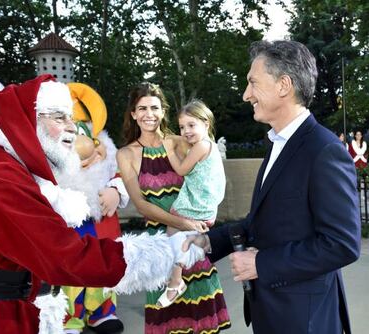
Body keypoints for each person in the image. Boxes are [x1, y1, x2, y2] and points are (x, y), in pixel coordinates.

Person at [0, 74, 204, 334]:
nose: (72, 127)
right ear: (25, 121)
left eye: (71, 118)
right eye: (59, 117)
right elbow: (66, 257)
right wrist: (167, 252)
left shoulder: (5, 167)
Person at [183, 40, 361, 334]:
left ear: (284, 85)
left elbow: (341, 244)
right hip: (274, 312)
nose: (245, 94)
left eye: (253, 83)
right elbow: (265, 220)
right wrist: (210, 241)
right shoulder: (280, 143)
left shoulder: (324, 150)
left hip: (305, 319)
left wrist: (261, 264)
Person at [117, 83, 231, 333]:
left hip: (194, 240)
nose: (149, 114)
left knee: (201, 322)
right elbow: (141, 205)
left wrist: (206, 213)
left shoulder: (182, 142)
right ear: (133, 114)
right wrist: (182, 223)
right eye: (142, 108)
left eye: (155, 108)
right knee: (167, 320)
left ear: (163, 111)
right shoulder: (127, 154)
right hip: (161, 245)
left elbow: (209, 171)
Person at [58, 83, 128, 334]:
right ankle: (69, 318)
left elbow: (122, 177)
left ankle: (102, 312)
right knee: (70, 270)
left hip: (102, 225)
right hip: (69, 227)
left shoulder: (108, 154)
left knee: (103, 264)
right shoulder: (51, 157)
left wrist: (116, 191)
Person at [156, 99, 226, 308]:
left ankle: (176, 282)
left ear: (206, 124)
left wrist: (168, 149)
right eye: (182, 127)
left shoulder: (202, 146)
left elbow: (181, 170)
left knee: (174, 234)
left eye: (191, 125)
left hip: (195, 205)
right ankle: (176, 278)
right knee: (179, 238)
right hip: (204, 206)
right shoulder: (208, 144)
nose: (186, 131)